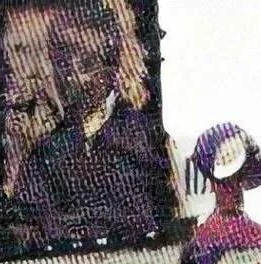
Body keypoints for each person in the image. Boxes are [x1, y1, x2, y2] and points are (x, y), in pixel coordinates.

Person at [10, 0, 171, 246]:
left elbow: (145, 217)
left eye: (85, 64)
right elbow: (27, 226)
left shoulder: (142, 139)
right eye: (62, 63)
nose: (72, 77)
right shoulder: (44, 155)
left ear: (111, 69)